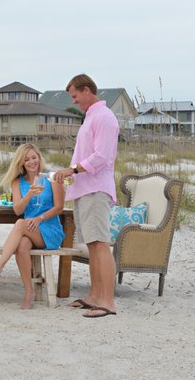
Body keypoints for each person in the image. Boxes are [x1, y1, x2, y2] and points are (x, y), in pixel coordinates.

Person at [54, 74, 119, 318]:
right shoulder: (90, 117)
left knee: (100, 244)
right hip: (84, 188)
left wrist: (72, 170)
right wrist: (70, 176)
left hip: (96, 189)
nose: (74, 101)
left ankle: (108, 301)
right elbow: (85, 154)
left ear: (87, 90)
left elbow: (102, 156)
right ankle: (94, 296)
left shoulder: (104, 117)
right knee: (92, 245)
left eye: (75, 96)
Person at [0, 144, 65, 309]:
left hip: (49, 229)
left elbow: (59, 207)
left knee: (20, 224)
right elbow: (18, 209)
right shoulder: (17, 182)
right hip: (29, 229)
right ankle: (29, 292)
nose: (32, 162)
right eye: (27, 159)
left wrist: (40, 218)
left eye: (34, 157)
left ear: (39, 158)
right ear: (21, 164)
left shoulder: (52, 178)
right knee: (23, 245)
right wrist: (29, 195)